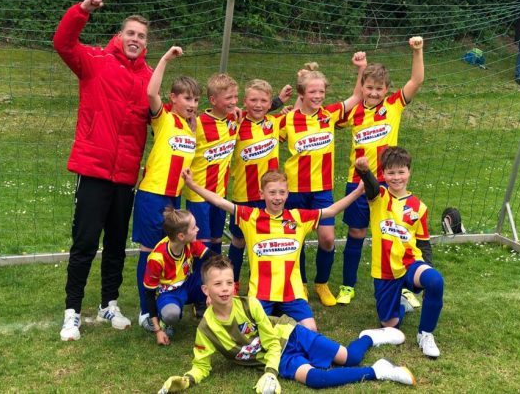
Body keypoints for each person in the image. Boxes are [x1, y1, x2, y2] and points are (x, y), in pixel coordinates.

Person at [156, 255, 415, 394]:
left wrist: (269, 372)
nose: (224, 289)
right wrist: (187, 380)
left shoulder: (250, 305)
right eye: (217, 284)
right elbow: (202, 364)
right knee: (316, 379)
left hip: (291, 335)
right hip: (280, 358)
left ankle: (370, 337)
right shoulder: (206, 329)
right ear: (205, 290)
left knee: (350, 357)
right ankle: (380, 370)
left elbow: (271, 341)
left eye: (229, 283)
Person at [54, 0, 153, 341]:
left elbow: (166, 116)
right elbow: (63, 43)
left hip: (125, 175)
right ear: (120, 35)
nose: (135, 40)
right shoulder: (95, 61)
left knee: (115, 244)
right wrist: (82, 11)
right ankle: (72, 312)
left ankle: (108, 304)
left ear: (146, 44)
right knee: (84, 243)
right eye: (131, 33)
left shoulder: (149, 78)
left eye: (141, 36)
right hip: (94, 170)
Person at [183, 168, 363, 332]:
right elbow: (219, 201)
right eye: (272, 192)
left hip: (292, 292)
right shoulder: (250, 217)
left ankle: (281, 326)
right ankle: (276, 322)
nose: (277, 197)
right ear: (262, 194)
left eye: (282, 192)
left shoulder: (298, 218)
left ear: (287, 194)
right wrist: (192, 185)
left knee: (311, 330)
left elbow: (331, 211)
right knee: (251, 334)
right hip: (261, 293)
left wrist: (358, 191)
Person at [336, 37, 425, 307]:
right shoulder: (353, 112)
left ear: (386, 90)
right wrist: (360, 69)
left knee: (395, 235)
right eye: (369, 87)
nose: (373, 93)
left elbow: (417, 80)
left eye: (379, 89)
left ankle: (404, 285)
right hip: (358, 183)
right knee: (356, 233)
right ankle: (347, 285)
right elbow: (328, 117)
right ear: (362, 87)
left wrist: (417, 51)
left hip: (389, 184)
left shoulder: (394, 105)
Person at [279, 55, 366, 307]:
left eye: (321, 91)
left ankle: (322, 283)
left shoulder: (329, 114)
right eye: (312, 92)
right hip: (294, 190)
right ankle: (301, 284)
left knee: (327, 239)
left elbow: (357, 97)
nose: (318, 96)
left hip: (322, 190)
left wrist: (361, 69)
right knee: (296, 239)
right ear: (302, 94)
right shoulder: (287, 119)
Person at [131, 46, 201, 333]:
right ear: (173, 98)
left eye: (196, 99)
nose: (192, 104)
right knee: (150, 252)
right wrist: (165, 59)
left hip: (174, 197)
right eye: (187, 98)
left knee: (169, 250)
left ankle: (164, 303)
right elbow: (151, 94)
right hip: (152, 195)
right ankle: (145, 312)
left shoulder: (190, 128)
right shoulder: (165, 119)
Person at [355, 147, 444, 358]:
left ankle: (425, 334)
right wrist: (364, 171)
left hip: (410, 263)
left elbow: (423, 243)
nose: (396, 177)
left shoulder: (419, 207)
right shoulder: (379, 196)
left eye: (401, 172)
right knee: (390, 325)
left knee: (435, 281)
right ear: (384, 174)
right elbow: (370, 185)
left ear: (409, 172)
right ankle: (401, 305)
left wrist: (428, 268)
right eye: (391, 172)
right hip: (385, 269)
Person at [228, 79, 292, 295]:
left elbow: (300, 114)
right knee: (239, 240)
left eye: (263, 101)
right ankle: (233, 281)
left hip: (270, 196)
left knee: (269, 238)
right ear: (244, 101)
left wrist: (282, 100)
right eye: (253, 100)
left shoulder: (275, 122)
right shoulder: (236, 124)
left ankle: (267, 282)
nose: (258, 105)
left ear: (269, 103)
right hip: (243, 194)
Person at [183, 74, 239, 256]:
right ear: (213, 100)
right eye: (228, 98)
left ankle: (216, 273)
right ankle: (198, 274)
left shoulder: (234, 120)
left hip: (220, 194)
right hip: (198, 194)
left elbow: (259, 110)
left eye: (236, 97)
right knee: (201, 243)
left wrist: (280, 102)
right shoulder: (197, 124)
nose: (234, 101)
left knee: (216, 240)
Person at [142, 208, 214, 344]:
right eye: (194, 227)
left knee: (216, 282)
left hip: (189, 283)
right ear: (181, 236)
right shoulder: (157, 258)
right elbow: (149, 294)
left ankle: (214, 316)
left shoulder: (190, 243)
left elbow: (214, 258)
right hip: (169, 293)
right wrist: (158, 331)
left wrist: (212, 290)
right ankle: (163, 321)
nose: (198, 229)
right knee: (171, 315)